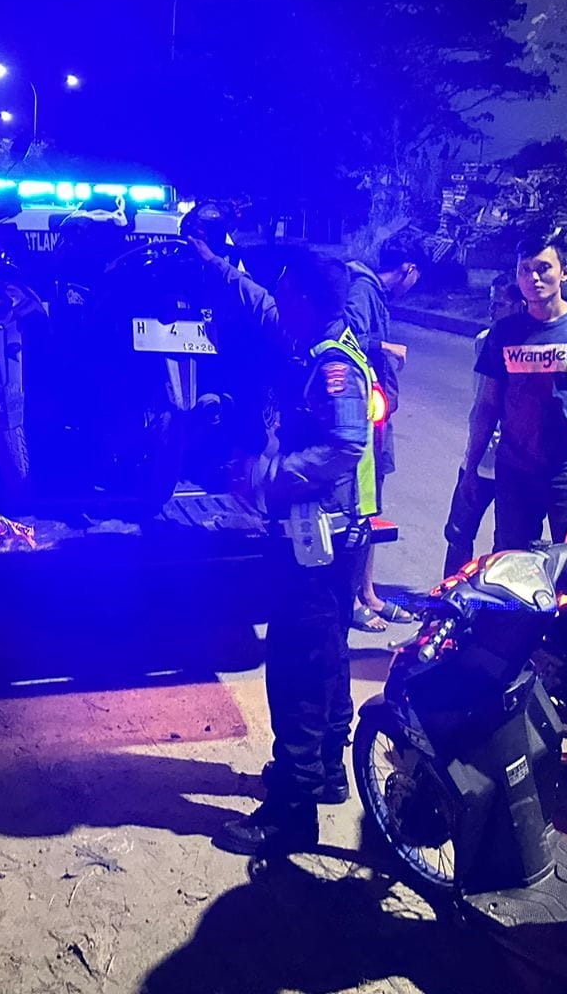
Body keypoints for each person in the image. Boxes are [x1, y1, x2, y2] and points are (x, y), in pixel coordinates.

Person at [208, 250, 378, 856]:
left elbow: (345, 446)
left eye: (285, 293)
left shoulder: (333, 365)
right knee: (325, 655)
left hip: (316, 542)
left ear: (305, 300)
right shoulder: (315, 351)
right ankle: (326, 771)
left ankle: (291, 810)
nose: (279, 301)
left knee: (296, 667)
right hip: (323, 538)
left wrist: (268, 475)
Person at [458, 228, 567, 553]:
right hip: (515, 472)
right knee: (512, 563)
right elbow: (488, 405)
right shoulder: (504, 332)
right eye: (525, 270)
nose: (533, 277)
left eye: (543, 268)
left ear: (565, 273)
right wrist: (471, 466)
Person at [345, 229, 431, 631]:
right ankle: (351, 599)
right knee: (358, 507)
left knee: (371, 506)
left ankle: (368, 593)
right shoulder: (362, 290)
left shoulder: (373, 293)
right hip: (361, 418)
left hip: (376, 419)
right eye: (416, 278)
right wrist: (386, 347)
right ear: (409, 269)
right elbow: (348, 340)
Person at [442, 279, 526, 577]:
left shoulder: (532, 346)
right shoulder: (484, 341)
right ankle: (449, 593)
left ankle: (493, 598)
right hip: (478, 457)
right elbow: (483, 404)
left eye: (499, 304)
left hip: (512, 463)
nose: (492, 310)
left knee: (507, 545)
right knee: (458, 532)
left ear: (519, 306)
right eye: (491, 303)